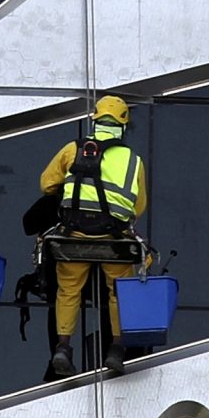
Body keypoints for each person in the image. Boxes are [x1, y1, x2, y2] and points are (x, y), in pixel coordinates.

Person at [22, 95, 149, 377]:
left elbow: (47, 184)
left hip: (74, 237)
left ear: (95, 122)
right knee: (119, 293)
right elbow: (138, 206)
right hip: (113, 241)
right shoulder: (133, 160)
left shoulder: (73, 149)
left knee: (68, 291)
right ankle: (116, 348)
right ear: (123, 126)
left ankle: (63, 348)